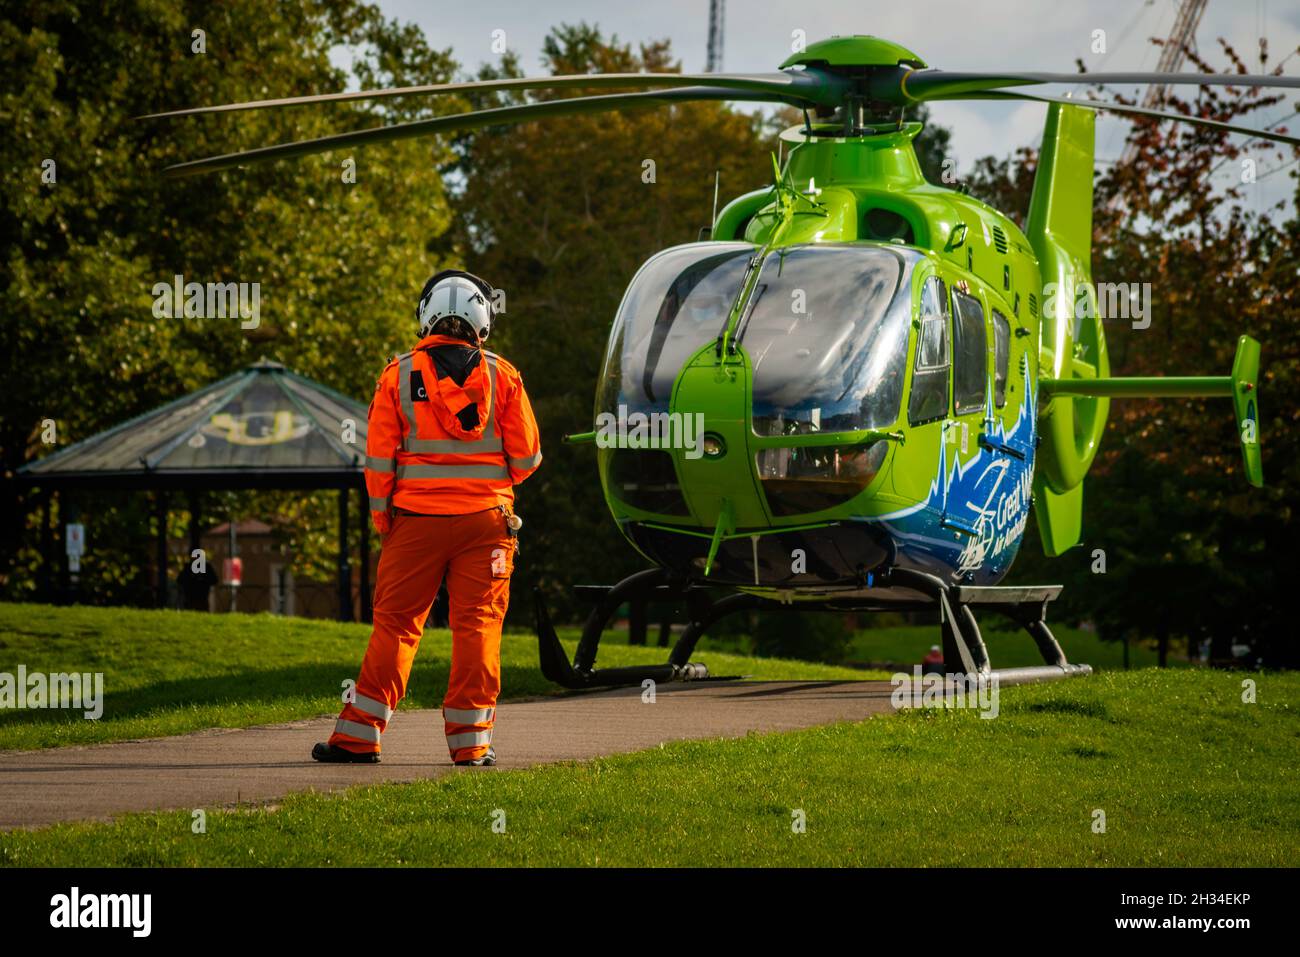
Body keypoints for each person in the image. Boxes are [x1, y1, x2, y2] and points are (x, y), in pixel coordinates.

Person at [312, 270, 541, 767]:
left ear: (425, 317)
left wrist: (384, 522)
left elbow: (378, 463)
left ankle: (357, 738)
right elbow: (526, 462)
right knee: (478, 627)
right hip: (487, 523)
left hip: (414, 521)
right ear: (483, 320)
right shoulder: (506, 377)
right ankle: (471, 745)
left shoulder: (396, 376)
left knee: (396, 627)